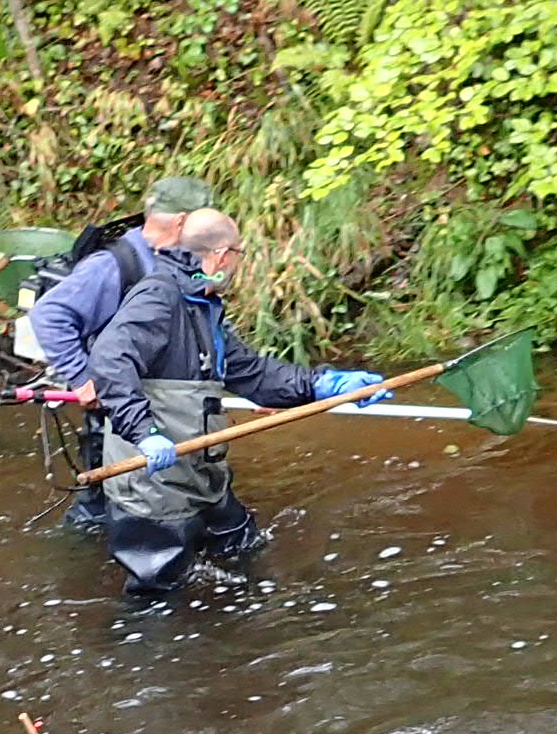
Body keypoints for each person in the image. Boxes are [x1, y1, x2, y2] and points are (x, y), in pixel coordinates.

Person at [85, 211, 384, 596]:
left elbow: (252, 373)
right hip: (153, 488)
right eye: (239, 256)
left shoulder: (202, 302)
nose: (238, 266)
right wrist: (145, 432)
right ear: (223, 255)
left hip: (200, 476)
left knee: (245, 549)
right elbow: (110, 359)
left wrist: (325, 384)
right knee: (159, 602)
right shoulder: (160, 295)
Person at [25, 173, 214, 532]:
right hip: (116, 415)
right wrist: (82, 378)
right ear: (182, 221)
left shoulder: (180, 261)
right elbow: (49, 315)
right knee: (102, 513)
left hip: (162, 408)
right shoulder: (112, 265)